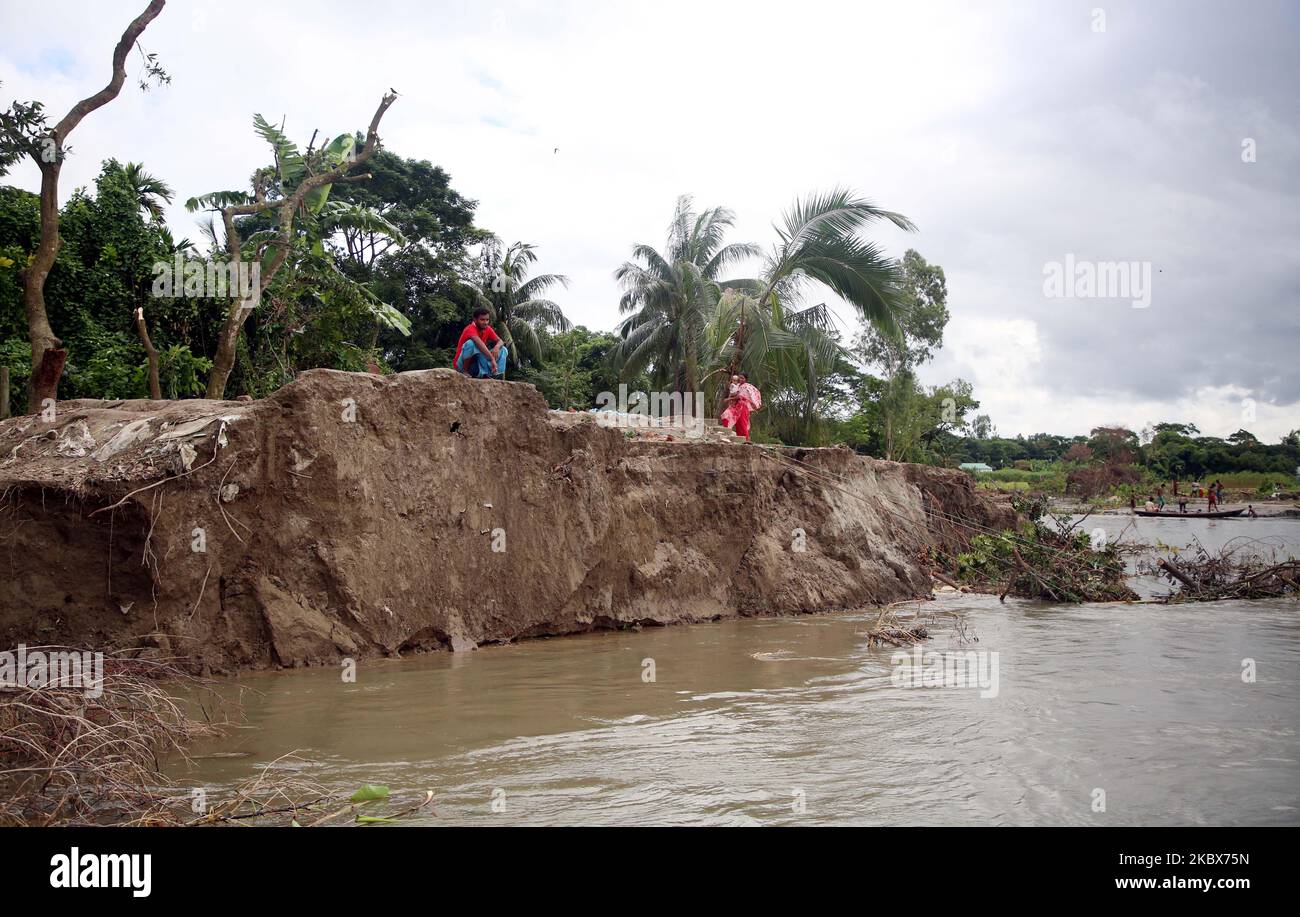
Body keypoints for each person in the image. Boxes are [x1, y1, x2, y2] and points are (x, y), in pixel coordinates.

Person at [454, 309, 508, 379]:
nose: (485, 322)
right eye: (482, 320)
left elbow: (500, 341)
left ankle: (496, 374)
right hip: (462, 364)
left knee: (503, 349)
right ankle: (465, 371)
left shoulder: (487, 328)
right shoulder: (470, 329)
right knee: (471, 344)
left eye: (487, 320)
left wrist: (496, 347)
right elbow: (479, 344)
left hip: (477, 363)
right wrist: (492, 359)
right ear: (475, 320)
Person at [720, 372, 762, 443]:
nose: (740, 379)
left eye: (742, 378)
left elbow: (740, 397)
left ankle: (746, 440)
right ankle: (740, 439)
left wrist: (728, 399)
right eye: (740, 377)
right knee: (727, 416)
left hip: (743, 406)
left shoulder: (746, 387)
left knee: (742, 423)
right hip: (736, 406)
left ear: (746, 379)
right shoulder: (737, 385)